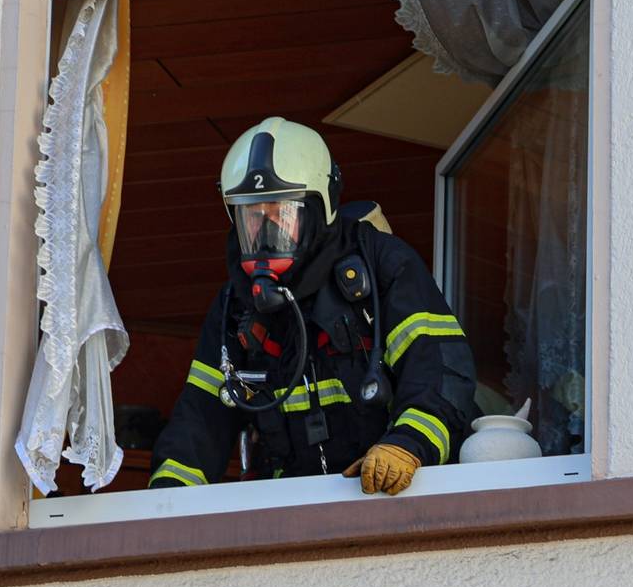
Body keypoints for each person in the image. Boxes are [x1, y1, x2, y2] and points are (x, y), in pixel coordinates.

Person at [147, 117, 479, 496]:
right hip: (292, 508)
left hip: (391, 495)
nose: (267, 234)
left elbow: (440, 368)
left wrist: (407, 444)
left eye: (282, 215)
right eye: (253, 218)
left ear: (320, 210)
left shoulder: (382, 266)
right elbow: (202, 418)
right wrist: (166, 501)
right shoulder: (236, 307)